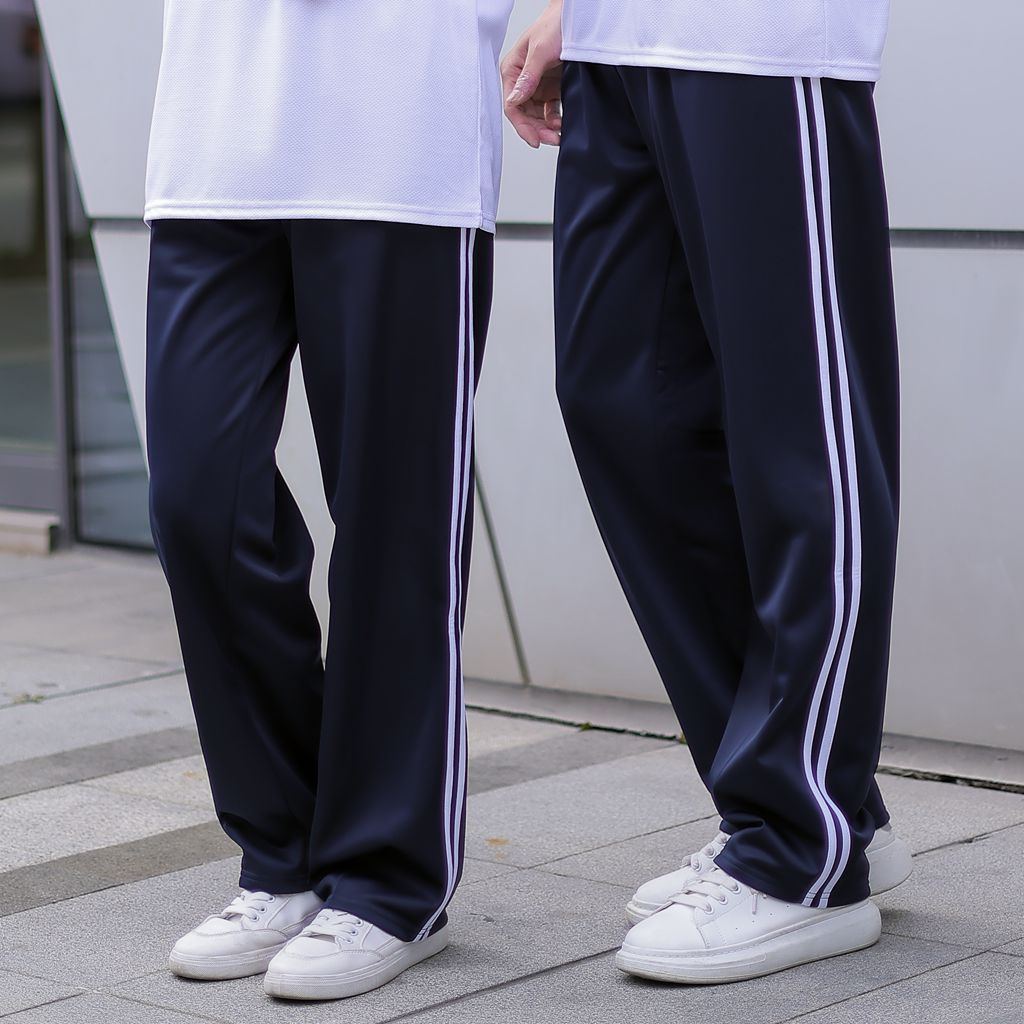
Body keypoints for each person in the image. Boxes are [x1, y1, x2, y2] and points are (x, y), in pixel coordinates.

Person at [504, 0, 913, 984]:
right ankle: (825, 804)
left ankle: (797, 844)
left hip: (761, 37)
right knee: (622, 403)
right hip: (616, 38)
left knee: (800, 431)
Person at [144, 0, 512, 1001]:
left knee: (394, 526)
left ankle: (392, 882)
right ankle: (287, 853)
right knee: (197, 501)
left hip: (400, 145)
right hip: (214, 139)